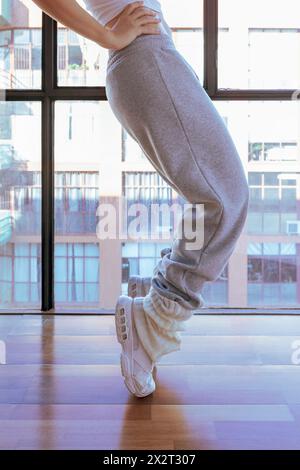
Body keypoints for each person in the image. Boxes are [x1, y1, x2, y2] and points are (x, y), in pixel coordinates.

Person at [33, 0, 249, 398]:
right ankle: (152, 322)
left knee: (212, 197)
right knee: (224, 197)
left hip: (152, 57)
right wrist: (108, 35)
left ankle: (151, 311)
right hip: (143, 57)